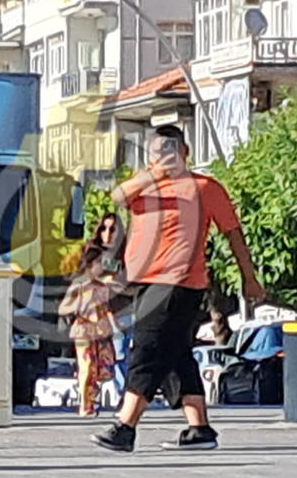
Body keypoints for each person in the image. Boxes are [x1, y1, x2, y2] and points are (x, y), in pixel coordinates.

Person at [95, 125, 266, 454]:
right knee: (176, 355)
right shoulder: (144, 186)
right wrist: (152, 173)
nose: (164, 158)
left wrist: (249, 278)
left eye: (170, 151)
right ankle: (199, 428)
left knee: (146, 349)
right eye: (157, 152)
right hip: (145, 282)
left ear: (185, 151)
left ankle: (125, 426)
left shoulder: (205, 188)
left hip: (179, 282)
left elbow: (233, 233)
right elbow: (117, 197)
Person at [61, 212, 129, 418]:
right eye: (104, 229)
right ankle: (86, 404)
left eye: (112, 229)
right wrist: (81, 299)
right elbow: (66, 304)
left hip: (111, 322)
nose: (107, 234)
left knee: (109, 364)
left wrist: (116, 286)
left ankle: (119, 402)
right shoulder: (87, 264)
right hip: (85, 325)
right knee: (87, 364)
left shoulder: (125, 254)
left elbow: (124, 291)